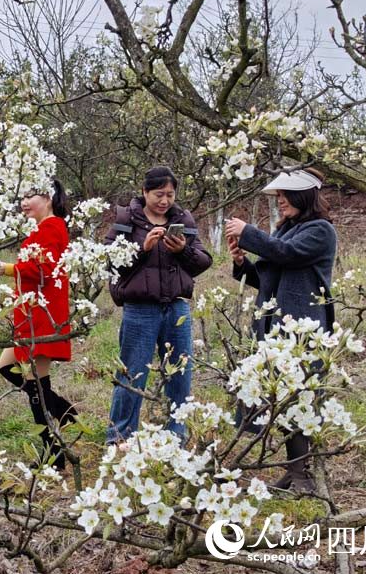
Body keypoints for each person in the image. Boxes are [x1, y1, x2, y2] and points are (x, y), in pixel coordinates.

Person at [225, 168, 336, 494]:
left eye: (286, 195)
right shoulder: (288, 230)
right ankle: (293, 472)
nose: (281, 201)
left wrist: (248, 232)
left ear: (304, 196)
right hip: (277, 328)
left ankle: (303, 476)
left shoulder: (320, 231)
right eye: (279, 196)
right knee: (282, 399)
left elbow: (285, 254)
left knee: (299, 397)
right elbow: (267, 278)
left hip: (303, 331)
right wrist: (242, 262)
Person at [104, 166, 212, 444]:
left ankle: (175, 436)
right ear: (144, 192)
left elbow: (203, 261)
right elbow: (110, 262)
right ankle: (120, 437)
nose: (164, 201)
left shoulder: (182, 218)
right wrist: (143, 250)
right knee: (132, 373)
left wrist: (182, 250)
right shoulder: (127, 219)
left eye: (170, 194)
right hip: (140, 309)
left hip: (176, 307)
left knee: (180, 373)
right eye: (158, 194)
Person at [0, 180, 77, 470]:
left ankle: (54, 457)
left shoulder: (53, 226)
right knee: (10, 370)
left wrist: (5, 269)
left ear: (50, 197)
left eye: (31, 195)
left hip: (43, 317)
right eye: (23, 196)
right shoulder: (42, 228)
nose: (24, 202)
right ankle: (64, 411)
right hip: (31, 315)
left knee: (36, 388)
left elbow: (43, 270)